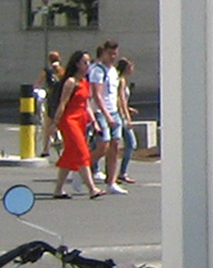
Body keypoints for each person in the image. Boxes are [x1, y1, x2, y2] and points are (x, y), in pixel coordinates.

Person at [40, 50, 103, 200]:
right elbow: (63, 103)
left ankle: (58, 190)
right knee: (82, 152)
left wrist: (94, 122)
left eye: (89, 62)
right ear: (76, 64)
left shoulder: (84, 82)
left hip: (81, 120)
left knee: (69, 155)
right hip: (69, 121)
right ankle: (92, 189)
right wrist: (55, 123)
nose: (88, 65)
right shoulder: (70, 82)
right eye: (84, 62)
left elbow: (86, 104)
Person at [86, 41, 125, 193]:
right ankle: (81, 168)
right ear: (103, 53)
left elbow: (115, 94)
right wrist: (107, 115)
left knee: (115, 145)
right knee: (103, 145)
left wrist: (120, 113)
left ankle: (111, 182)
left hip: (113, 110)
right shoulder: (97, 70)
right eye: (110, 53)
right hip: (100, 112)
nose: (113, 57)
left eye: (115, 53)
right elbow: (96, 95)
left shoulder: (113, 71)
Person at [112, 56, 139, 186]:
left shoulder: (119, 80)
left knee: (108, 145)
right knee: (130, 143)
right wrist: (126, 116)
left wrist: (129, 108)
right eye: (130, 67)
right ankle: (122, 173)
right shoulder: (121, 81)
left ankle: (94, 168)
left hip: (120, 113)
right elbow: (120, 99)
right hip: (120, 115)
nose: (132, 70)